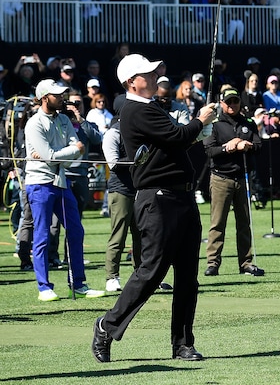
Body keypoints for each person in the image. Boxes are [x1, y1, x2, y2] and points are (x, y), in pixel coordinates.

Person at [92, 54, 218, 363]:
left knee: (188, 277)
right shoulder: (135, 110)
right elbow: (178, 136)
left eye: (152, 71)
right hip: (158, 200)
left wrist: (196, 126)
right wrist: (201, 119)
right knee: (150, 271)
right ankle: (107, 326)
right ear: (130, 82)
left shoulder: (151, 109)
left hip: (182, 198)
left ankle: (183, 344)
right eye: (145, 73)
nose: (152, 76)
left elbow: (178, 140)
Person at [24, 79, 105, 301]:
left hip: (61, 181)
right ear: (44, 98)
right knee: (42, 236)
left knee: (76, 230)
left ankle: (78, 284)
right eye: (56, 95)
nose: (61, 97)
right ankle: (44, 287)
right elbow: (58, 154)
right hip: (39, 183)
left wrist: (61, 155)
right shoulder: (34, 123)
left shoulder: (63, 119)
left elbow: (72, 151)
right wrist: (65, 153)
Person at [202, 86, 265, 277]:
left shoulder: (248, 123)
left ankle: (246, 262)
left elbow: (259, 146)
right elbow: (209, 151)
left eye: (235, 101)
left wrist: (247, 145)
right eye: (228, 102)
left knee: (244, 223)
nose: (232, 105)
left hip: (242, 178)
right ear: (222, 103)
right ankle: (213, 263)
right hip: (221, 177)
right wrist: (226, 148)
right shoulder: (214, 123)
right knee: (218, 223)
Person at [102, 95, 141, 293]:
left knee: (142, 235)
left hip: (139, 188)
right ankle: (112, 276)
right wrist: (138, 160)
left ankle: (142, 275)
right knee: (119, 234)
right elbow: (114, 163)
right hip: (120, 190)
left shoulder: (135, 130)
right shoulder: (113, 134)